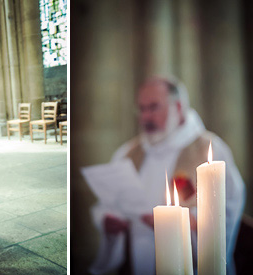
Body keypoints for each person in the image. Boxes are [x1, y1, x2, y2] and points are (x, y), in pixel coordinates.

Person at [90, 76, 246, 275]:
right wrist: (108, 221)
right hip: (136, 261)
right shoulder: (127, 153)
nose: (146, 116)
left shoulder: (210, 150)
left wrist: (183, 221)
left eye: (154, 107)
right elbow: (106, 204)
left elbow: (229, 205)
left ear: (178, 108)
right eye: (142, 108)